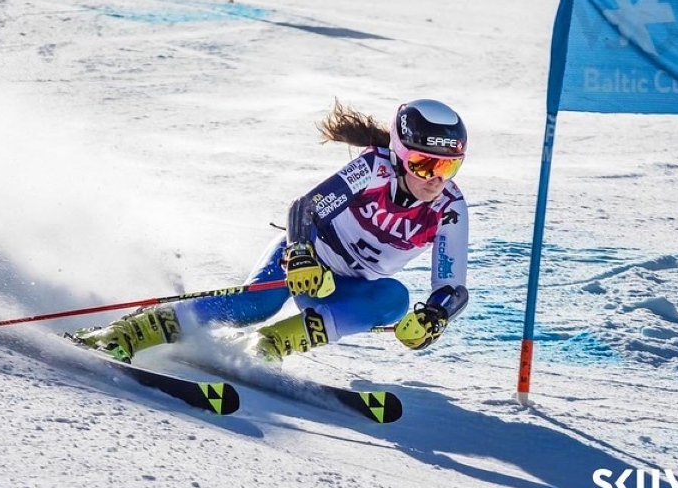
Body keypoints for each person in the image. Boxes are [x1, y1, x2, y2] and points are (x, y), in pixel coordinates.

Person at [72, 98, 470, 364]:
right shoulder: (373, 169)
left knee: (394, 298)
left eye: (447, 167)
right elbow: (307, 207)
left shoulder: (449, 209)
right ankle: (128, 331)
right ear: (400, 155)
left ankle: (268, 346)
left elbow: (452, 287)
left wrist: (436, 316)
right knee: (256, 306)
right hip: (305, 256)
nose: (435, 178)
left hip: (344, 287)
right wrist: (299, 254)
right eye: (423, 164)